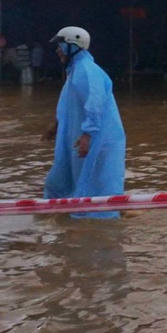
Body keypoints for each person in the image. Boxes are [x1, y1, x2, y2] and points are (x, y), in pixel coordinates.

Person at [43, 26, 126, 219]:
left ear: (74, 46)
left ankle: (101, 222)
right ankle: (65, 214)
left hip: (99, 138)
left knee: (99, 184)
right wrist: (55, 126)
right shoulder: (76, 71)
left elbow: (94, 104)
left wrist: (88, 135)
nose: (57, 50)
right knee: (61, 182)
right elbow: (69, 106)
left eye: (60, 45)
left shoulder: (87, 71)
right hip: (82, 137)